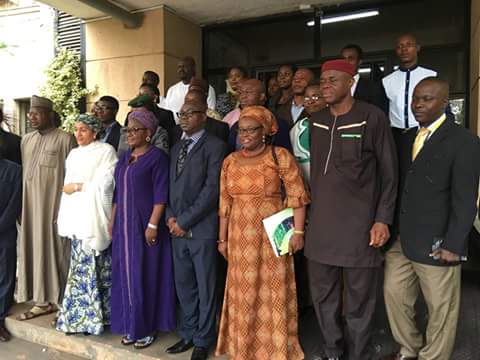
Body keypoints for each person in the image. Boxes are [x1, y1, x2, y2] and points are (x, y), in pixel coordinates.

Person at [383, 78, 480, 360]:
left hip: (440, 242)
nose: (418, 104)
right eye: (415, 99)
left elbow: (465, 199)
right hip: (401, 241)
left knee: (441, 308)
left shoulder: (464, 141)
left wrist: (455, 243)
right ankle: (409, 348)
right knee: (395, 297)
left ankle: (433, 357)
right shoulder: (405, 138)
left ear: (444, 103)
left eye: (427, 99)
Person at [306, 60, 397, 360]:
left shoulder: (371, 117)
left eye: (333, 80)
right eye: (323, 80)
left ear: (351, 82)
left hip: (360, 228)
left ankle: (358, 354)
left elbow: (389, 173)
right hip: (320, 228)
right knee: (323, 297)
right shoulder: (316, 120)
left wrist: (382, 219)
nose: (325, 86)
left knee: (360, 301)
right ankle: (333, 350)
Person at [215, 106, 309, 360]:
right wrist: (222, 239)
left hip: (273, 234)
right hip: (238, 235)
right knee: (241, 291)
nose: (245, 135)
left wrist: (298, 232)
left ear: (266, 131)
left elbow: (297, 196)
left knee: (273, 290)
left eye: (251, 129)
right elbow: (224, 203)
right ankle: (243, 348)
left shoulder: (279, 156)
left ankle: (275, 349)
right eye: (241, 130)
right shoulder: (230, 161)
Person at [165, 100, 227, 360]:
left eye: (190, 114)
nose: (184, 118)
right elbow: (169, 187)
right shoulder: (177, 146)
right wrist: (170, 218)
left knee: (206, 286)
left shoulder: (216, 146)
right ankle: (188, 333)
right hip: (175, 229)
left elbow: (212, 191)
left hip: (200, 229)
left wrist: (184, 221)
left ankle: (203, 339)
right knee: (184, 285)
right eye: (181, 114)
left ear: (204, 117)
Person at [110, 109, 176, 348]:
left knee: (144, 276)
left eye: (135, 129)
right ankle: (130, 325)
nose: (129, 133)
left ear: (148, 133)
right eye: (127, 129)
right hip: (124, 229)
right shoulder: (125, 157)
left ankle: (146, 328)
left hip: (144, 227)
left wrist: (152, 224)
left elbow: (161, 195)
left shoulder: (157, 157)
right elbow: (118, 193)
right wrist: (112, 220)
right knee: (125, 276)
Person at [55, 114, 117, 336]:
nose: (78, 134)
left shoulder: (106, 151)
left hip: (95, 219)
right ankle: (77, 319)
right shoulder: (73, 154)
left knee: (98, 271)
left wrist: (80, 187)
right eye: (76, 129)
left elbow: (107, 182)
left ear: (94, 132)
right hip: (78, 218)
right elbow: (65, 186)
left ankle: (99, 319)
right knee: (79, 271)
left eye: (83, 130)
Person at [17, 95, 76, 320]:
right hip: (31, 210)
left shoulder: (65, 139)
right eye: (30, 112)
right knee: (34, 252)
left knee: (57, 253)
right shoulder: (26, 140)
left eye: (37, 112)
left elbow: (72, 176)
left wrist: (65, 209)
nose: (32, 116)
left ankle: (62, 303)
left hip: (54, 209)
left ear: (50, 114)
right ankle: (41, 301)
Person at [382, 34, 437, 137]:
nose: (404, 49)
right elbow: (382, 112)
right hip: (395, 135)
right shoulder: (387, 81)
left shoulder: (431, 76)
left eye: (408, 45)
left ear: (417, 48)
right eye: (400, 46)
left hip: (425, 132)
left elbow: (442, 107)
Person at [228, 79, 292, 152]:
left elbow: (283, 156)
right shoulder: (236, 126)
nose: (242, 97)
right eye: (240, 93)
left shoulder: (277, 124)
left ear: (262, 96)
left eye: (248, 92)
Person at [0, 156, 21, 342]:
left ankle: (0, 320)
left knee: (6, 275)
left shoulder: (14, 170)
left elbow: (15, 202)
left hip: (5, 232)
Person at [289, 83, 326, 184]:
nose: (310, 101)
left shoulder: (336, 124)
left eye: (316, 97)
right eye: (306, 98)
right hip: (305, 188)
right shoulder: (297, 128)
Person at [165, 57, 216, 122]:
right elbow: (167, 113)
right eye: (179, 67)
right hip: (175, 129)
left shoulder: (205, 88)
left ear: (193, 69)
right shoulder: (171, 90)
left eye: (184, 66)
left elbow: (210, 113)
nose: (181, 69)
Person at [340, 43, 387, 112]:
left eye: (350, 58)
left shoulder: (373, 87)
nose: (346, 62)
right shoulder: (335, 87)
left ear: (359, 62)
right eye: (343, 59)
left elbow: (378, 115)